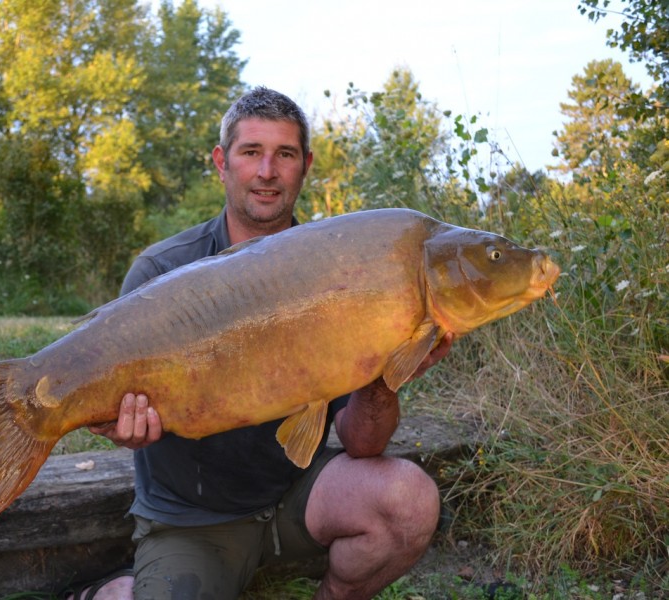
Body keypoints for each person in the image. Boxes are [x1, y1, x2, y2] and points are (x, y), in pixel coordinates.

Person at [67, 87, 453, 600]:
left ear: (305, 165)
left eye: (285, 154)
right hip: (194, 521)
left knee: (408, 500)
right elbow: (115, 406)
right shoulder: (161, 271)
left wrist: (384, 377)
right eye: (252, 152)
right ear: (222, 162)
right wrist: (121, 427)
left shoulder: (341, 272)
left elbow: (364, 445)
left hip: (297, 498)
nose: (268, 170)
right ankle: (112, 592)